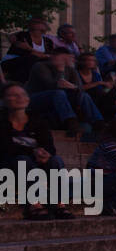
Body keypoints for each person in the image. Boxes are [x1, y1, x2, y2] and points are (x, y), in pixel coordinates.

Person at [0, 82, 73, 219]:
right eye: (13, 95)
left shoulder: (38, 121)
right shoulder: (2, 121)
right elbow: (5, 148)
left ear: (28, 99)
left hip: (36, 164)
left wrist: (45, 154)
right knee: (23, 160)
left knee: (56, 160)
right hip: (9, 167)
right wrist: (33, 152)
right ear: (4, 100)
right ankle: (33, 204)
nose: (19, 98)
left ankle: (59, 203)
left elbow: (49, 146)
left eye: (22, 95)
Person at [27, 47, 103, 130]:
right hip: (36, 97)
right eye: (65, 58)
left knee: (84, 95)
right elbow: (51, 85)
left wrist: (73, 85)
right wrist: (60, 70)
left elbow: (79, 88)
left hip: (61, 98)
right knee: (58, 93)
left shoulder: (70, 69)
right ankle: (70, 121)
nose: (70, 60)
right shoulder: (40, 66)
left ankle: (98, 122)